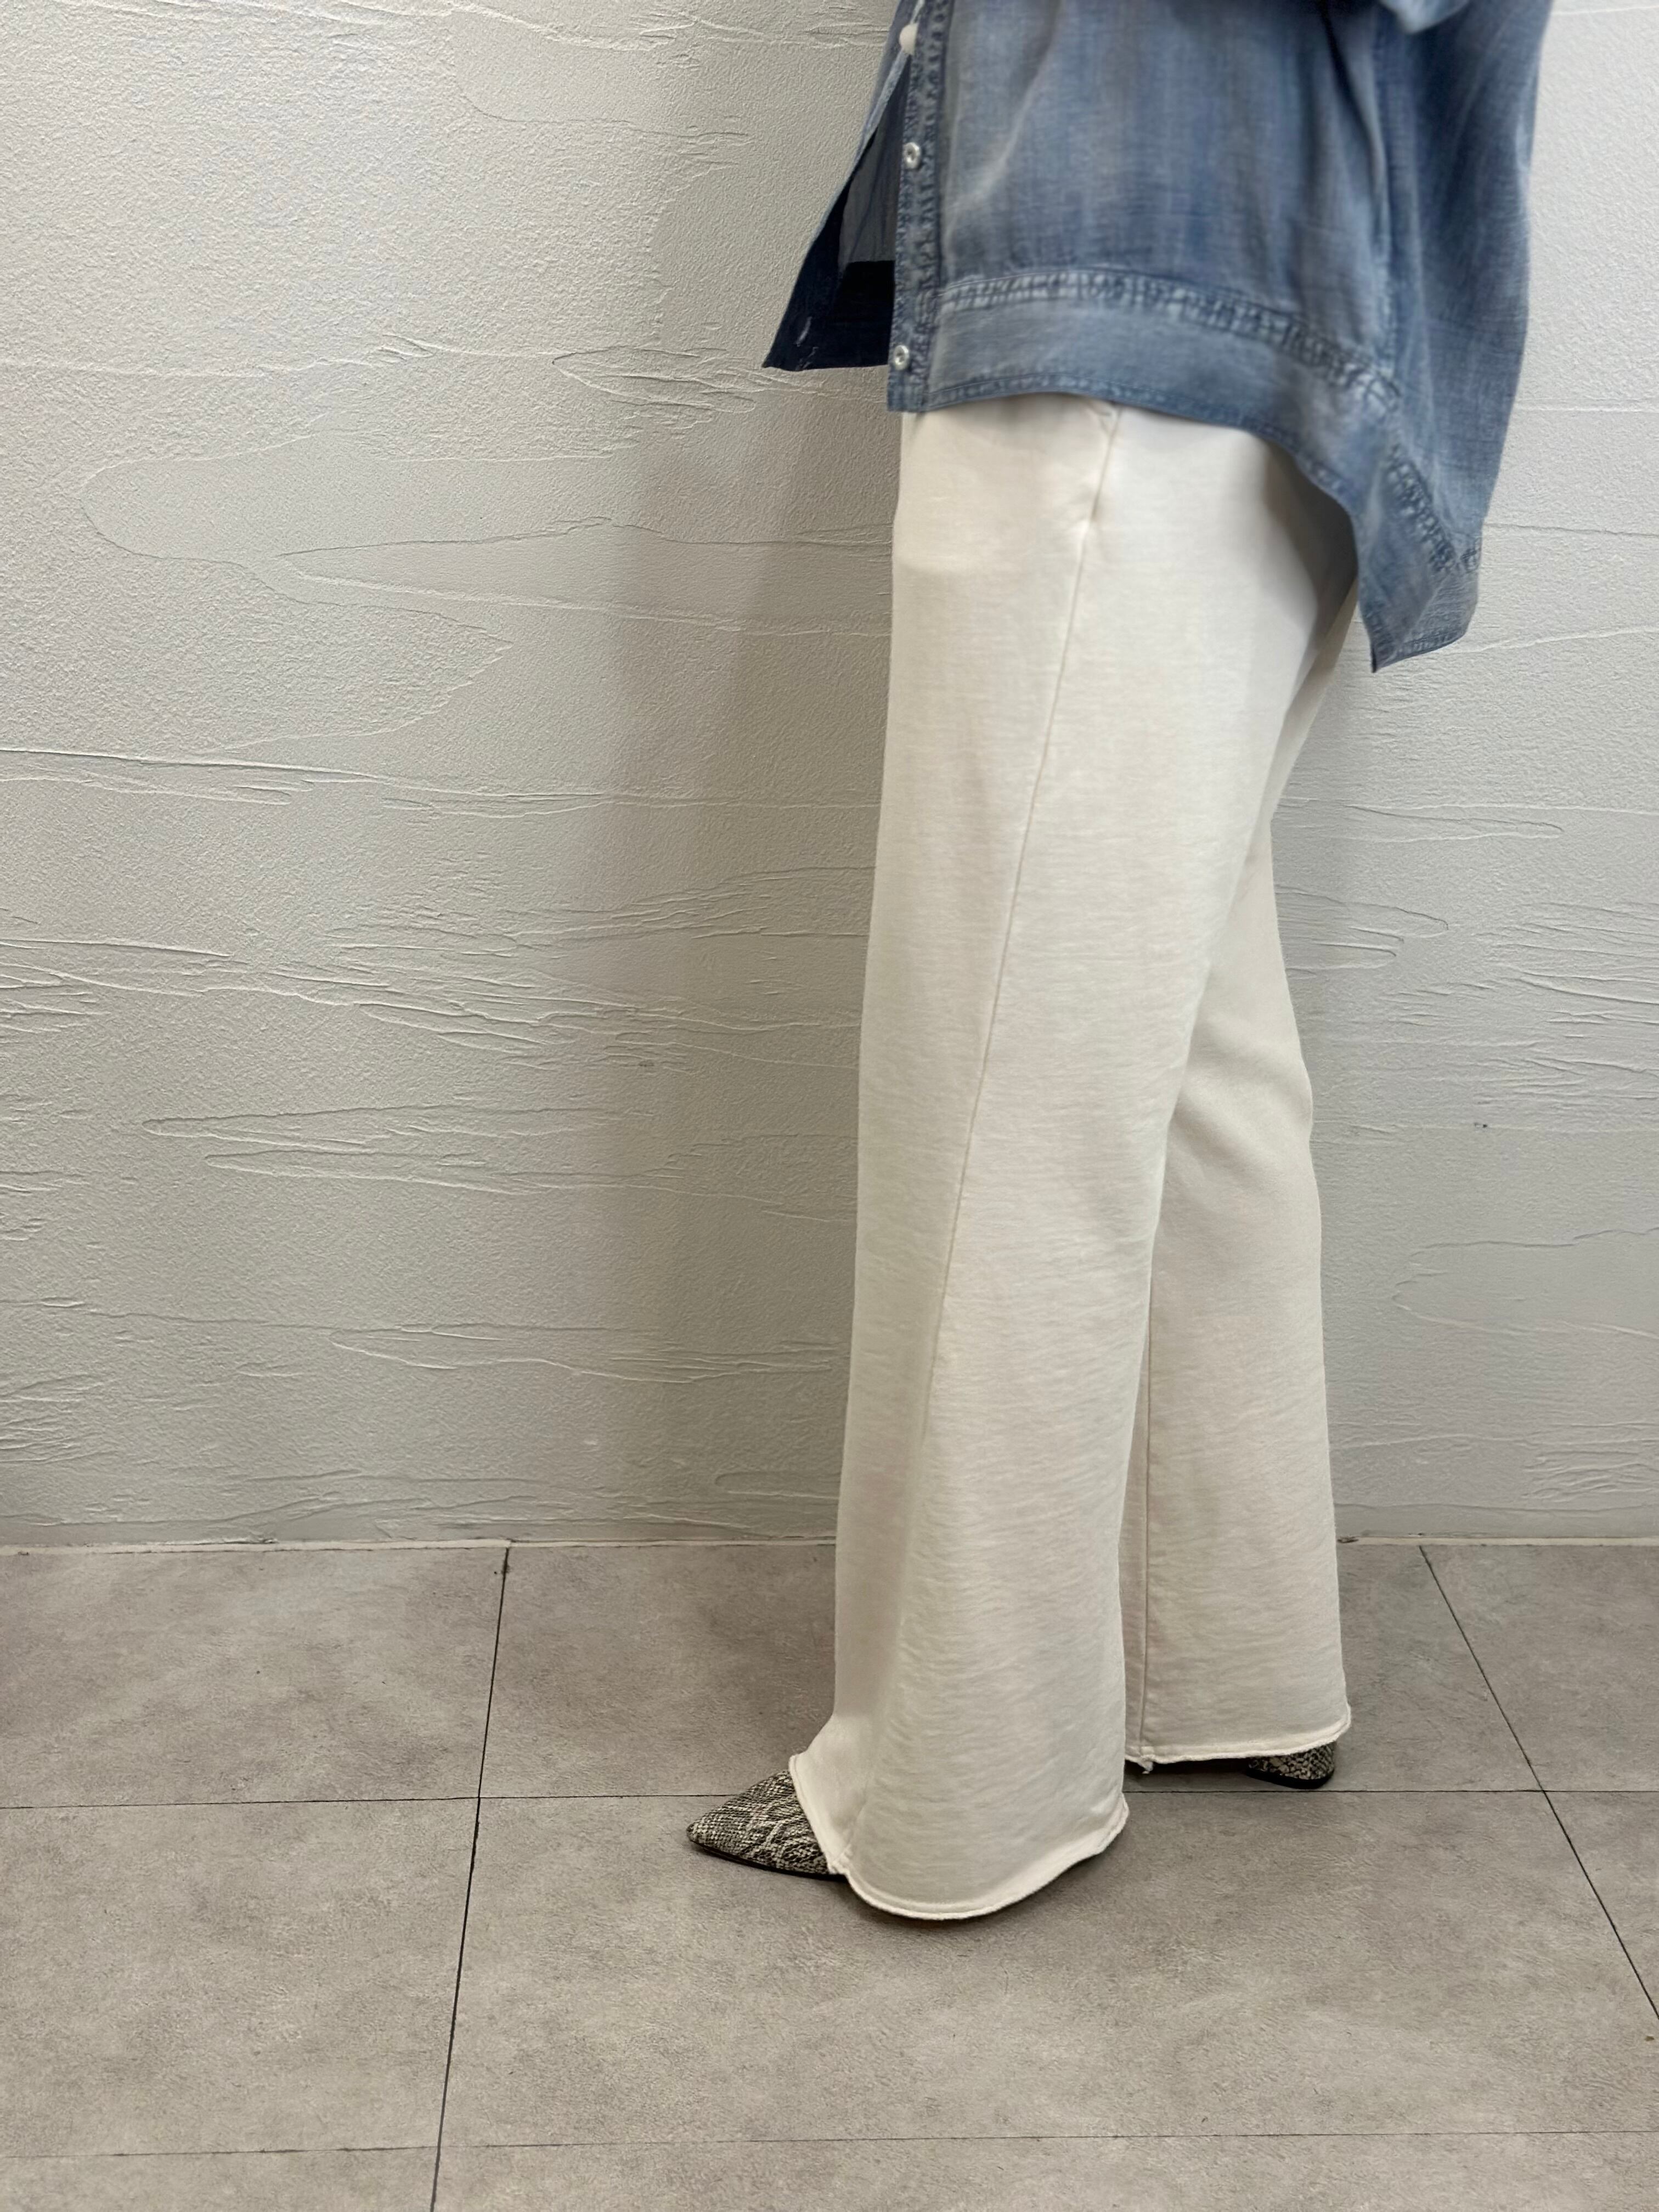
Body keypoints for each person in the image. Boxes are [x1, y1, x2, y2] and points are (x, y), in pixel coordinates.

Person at [689, 0, 1553, 1921]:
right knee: (1179, 1058)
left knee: (997, 1087)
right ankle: (1227, 1661)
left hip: (1147, 333)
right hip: (1215, 316)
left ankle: (952, 1785)